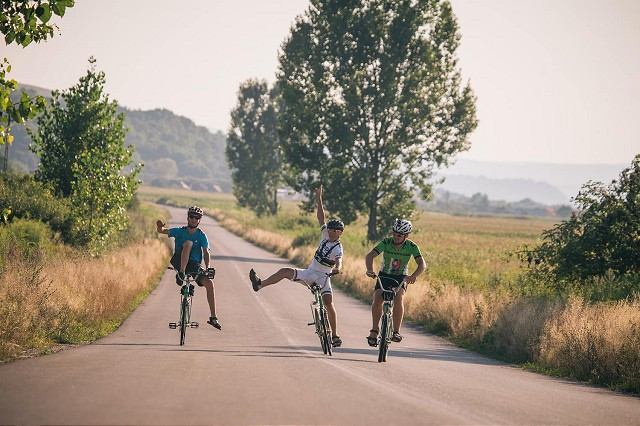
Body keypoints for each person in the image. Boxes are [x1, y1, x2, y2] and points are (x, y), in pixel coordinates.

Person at [249, 185, 345, 347]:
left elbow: (339, 261)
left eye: (334, 230)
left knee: (328, 303)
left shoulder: (338, 247)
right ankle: (259, 284)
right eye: (329, 229)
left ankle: (335, 335)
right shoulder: (324, 234)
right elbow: (321, 218)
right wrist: (318, 198)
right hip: (310, 273)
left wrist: (338, 268)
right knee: (285, 271)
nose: (330, 231)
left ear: (340, 232)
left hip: (324, 277)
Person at [156, 205, 221, 330]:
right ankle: (181, 274)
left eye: (196, 218)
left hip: (194, 265)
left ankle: (213, 317)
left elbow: (206, 252)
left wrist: (208, 268)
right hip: (179, 261)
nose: (193, 219)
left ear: (199, 220)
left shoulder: (202, 236)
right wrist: (159, 226)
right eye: (191, 217)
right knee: (188, 243)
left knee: (210, 284)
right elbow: (162, 231)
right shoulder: (180, 231)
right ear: (188, 218)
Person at [365, 218, 426, 346]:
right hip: (384, 275)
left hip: (401, 277)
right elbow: (370, 255)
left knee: (399, 298)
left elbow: (422, 264)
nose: (396, 237)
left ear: (406, 235)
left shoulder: (412, 246)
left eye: (399, 235)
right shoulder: (386, 242)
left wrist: (413, 276)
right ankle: (374, 330)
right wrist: (370, 270)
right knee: (377, 298)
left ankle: (396, 331)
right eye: (394, 233)